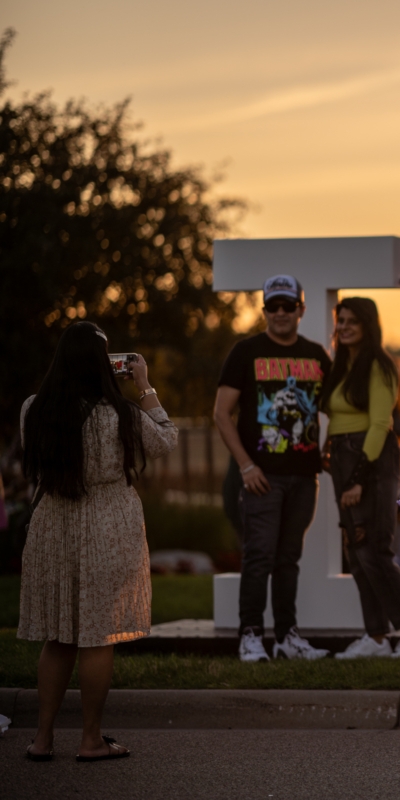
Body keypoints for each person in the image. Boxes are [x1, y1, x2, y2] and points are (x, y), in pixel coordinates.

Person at [20, 322, 177, 762]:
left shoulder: (33, 409)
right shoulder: (120, 414)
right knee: (96, 637)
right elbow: (166, 440)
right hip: (107, 524)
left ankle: (42, 739)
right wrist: (144, 385)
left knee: (58, 636)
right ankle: (90, 740)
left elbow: (33, 461)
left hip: (54, 524)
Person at [213, 275, 332, 662]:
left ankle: (286, 636)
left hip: (304, 474)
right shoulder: (246, 352)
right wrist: (246, 466)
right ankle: (250, 635)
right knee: (259, 556)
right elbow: (220, 414)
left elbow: (340, 410)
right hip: (262, 475)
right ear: (264, 310)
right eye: (273, 307)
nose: (280, 313)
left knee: (287, 559)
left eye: (287, 306)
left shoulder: (317, 356)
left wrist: (330, 448)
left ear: (301, 309)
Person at [323, 298, 400, 660]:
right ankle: (376, 637)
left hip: (372, 459)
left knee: (375, 550)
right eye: (340, 320)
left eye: (352, 322)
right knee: (357, 553)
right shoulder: (343, 364)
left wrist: (357, 477)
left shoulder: (379, 365)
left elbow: (381, 423)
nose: (344, 327)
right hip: (345, 457)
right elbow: (337, 416)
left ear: (368, 325)